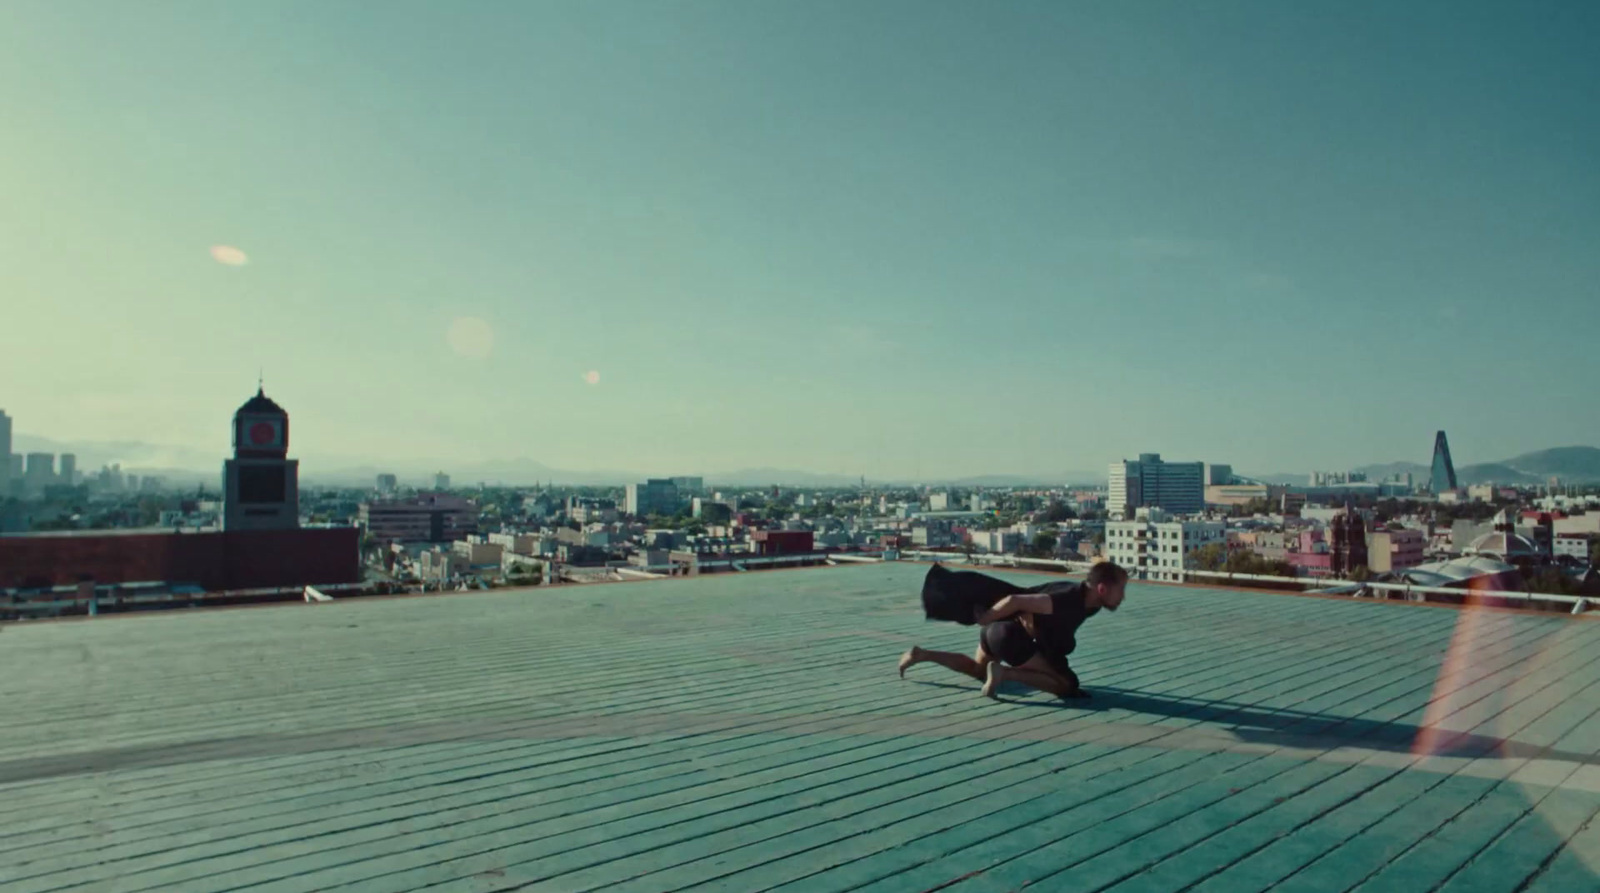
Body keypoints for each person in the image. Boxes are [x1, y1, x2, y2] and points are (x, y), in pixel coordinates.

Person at [898, 561, 1128, 700]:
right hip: (1009, 635)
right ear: (1102, 588)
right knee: (1065, 685)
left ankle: (923, 654)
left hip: (996, 633)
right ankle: (1004, 673)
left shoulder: (1090, 603)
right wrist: (987, 617)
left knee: (978, 670)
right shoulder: (1067, 599)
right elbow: (1015, 600)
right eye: (1121, 590)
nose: (1123, 596)